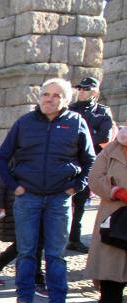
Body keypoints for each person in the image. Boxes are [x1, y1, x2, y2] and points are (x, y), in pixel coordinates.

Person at [0, 78, 95, 303]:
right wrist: (15, 187)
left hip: (59, 199)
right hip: (28, 198)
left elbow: (90, 161)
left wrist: (75, 187)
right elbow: (1, 159)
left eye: (56, 95)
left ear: (65, 99)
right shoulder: (24, 123)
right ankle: (24, 300)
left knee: (55, 254)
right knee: (27, 252)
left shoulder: (76, 123)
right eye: (45, 94)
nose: (49, 99)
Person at [80, 127, 127, 303]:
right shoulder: (111, 149)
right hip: (114, 217)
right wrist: (114, 191)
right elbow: (94, 178)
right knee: (111, 271)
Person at [68, 77, 114, 253]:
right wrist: (90, 133)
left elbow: (104, 137)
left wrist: (80, 138)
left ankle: (74, 238)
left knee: (80, 203)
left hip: (88, 163)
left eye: (85, 89)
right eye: (79, 88)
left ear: (94, 92)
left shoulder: (103, 112)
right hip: (68, 161)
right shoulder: (69, 109)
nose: (80, 91)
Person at [0, 174, 48, 297]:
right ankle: (36, 280)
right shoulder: (14, 156)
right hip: (19, 203)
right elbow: (1, 178)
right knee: (31, 241)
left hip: (34, 203)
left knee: (29, 241)